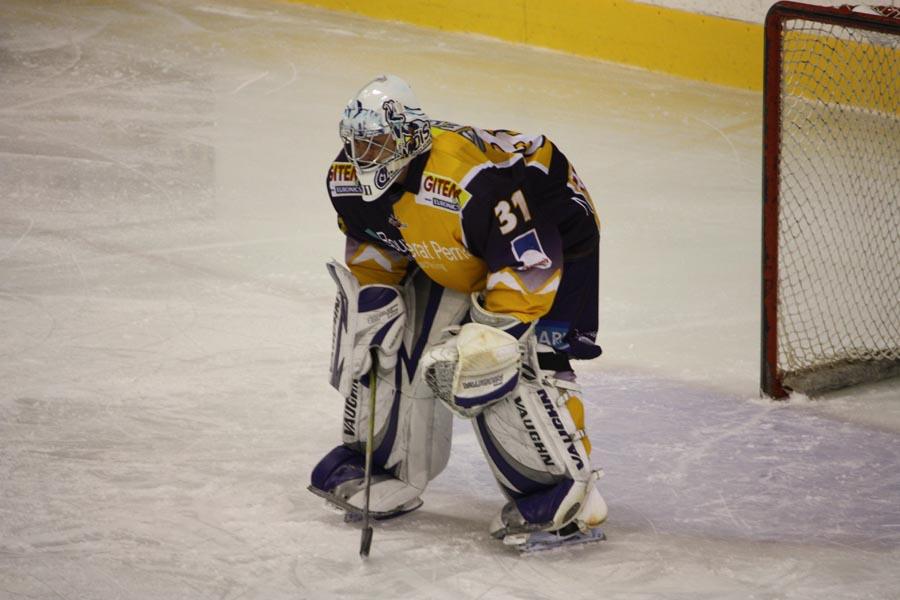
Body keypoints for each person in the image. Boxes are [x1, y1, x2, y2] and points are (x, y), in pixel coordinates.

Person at [309, 74, 607, 547]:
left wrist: (493, 334)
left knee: (499, 363)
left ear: (410, 141)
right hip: (461, 242)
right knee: (389, 341)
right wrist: (375, 296)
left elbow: (531, 259)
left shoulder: (470, 184)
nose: (363, 156)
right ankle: (387, 465)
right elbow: (376, 238)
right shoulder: (347, 179)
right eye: (357, 143)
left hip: (552, 237)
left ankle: (563, 494)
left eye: (377, 143)